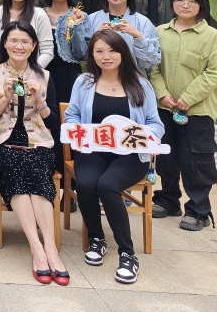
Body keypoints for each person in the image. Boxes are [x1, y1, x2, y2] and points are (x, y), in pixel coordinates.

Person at [66, 30, 164, 284]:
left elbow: (155, 123)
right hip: (93, 151)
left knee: (107, 185)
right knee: (86, 183)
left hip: (131, 155)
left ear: (123, 53)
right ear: (92, 55)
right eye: (99, 51)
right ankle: (97, 239)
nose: (106, 56)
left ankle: (128, 254)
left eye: (112, 50)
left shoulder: (140, 84)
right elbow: (72, 115)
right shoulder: (84, 82)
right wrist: (76, 132)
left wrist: (151, 136)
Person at [0, 20, 68, 285]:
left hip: (38, 142)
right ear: (5, 43)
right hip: (1, 143)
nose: (18, 46)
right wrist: (5, 97)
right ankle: (37, 249)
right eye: (13, 40)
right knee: (14, 167)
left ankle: (51, 249)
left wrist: (40, 99)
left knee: (38, 173)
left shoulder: (45, 76)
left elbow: (53, 123)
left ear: (33, 45)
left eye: (24, 42)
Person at [149, 0, 217, 232]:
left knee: (197, 161)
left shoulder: (212, 36)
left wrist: (188, 98)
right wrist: (162, 94)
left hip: (197, 111)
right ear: (172, 2)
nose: (185, 5)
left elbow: (213, 73)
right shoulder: (160, 32)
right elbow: (153, 68)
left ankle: (198, 210)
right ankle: (168, 200)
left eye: (192, 1)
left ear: (200, 5)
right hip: (165, 108)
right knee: (166, 157)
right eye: (180, 0)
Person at [70, 0, 160, 75]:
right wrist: (96, 38)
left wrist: (138, 36)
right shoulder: (91, 19)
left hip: (131, 81)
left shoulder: (143, 22)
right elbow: (82, 55)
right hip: (99, 80)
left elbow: (151, 63)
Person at [43, 0, 84, 186]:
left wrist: (76, 26)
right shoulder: (37, 15)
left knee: (66, 124)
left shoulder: (79, 16)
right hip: (41, 74)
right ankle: (44, 182)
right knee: (42, 124)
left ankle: (70, 186)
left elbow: (81, 53)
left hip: (68, 76)